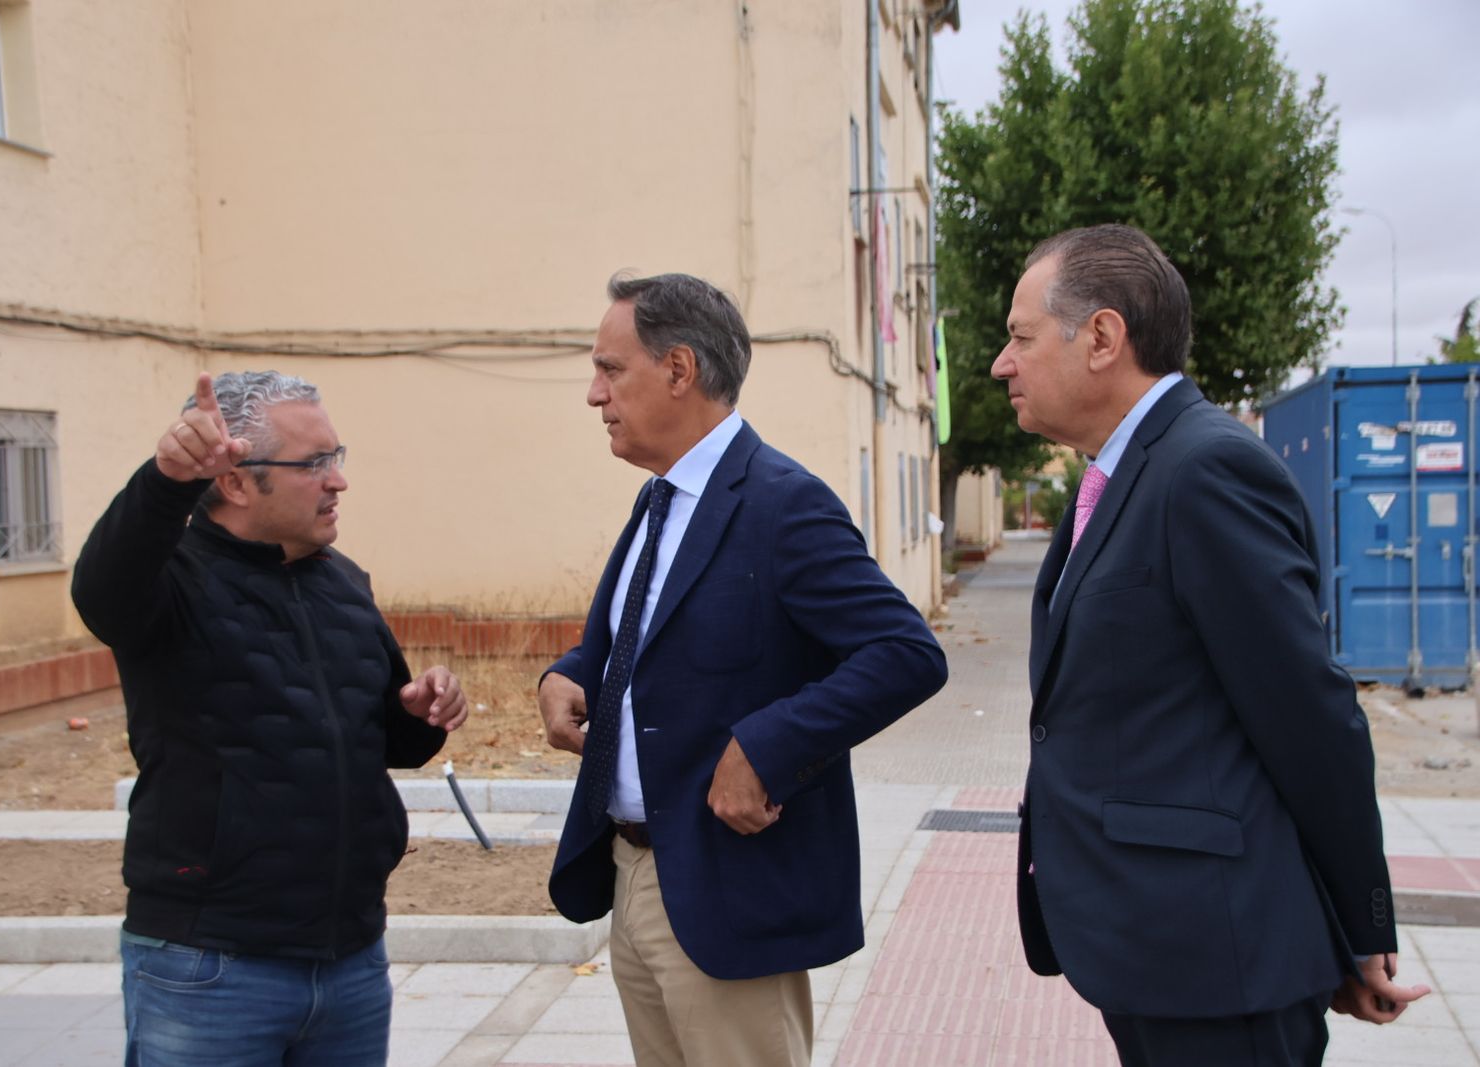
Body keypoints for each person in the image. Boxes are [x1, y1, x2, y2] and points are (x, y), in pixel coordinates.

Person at [993, 223, 1429, 1065]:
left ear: (1103, 338)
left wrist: (1357, 927)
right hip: (1157, 943)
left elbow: (1309, 715)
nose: (1001, 364)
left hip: (1218, 957)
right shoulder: (1120, 473)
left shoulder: (1206, 470)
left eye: (1019, 337)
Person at [539, 272, 948, 1066]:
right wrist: (567, 672)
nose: (595, 395)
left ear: (680, 370)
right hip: (630, 873)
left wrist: (767, 746)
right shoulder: (658, 500)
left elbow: (906, 653)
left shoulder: (782, 504)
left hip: (724, 887)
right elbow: (628, 640)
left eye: (610, 369)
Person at [72, 370, 468, 1066]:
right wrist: (166, 478)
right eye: (314, 464)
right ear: (233, 480)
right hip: (212, 967)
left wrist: (424, 710)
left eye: (335, 458)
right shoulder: (171, 583)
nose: (337, 481)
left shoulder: (342, 582)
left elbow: (384, 741)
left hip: (349, 961)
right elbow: (102, 587)